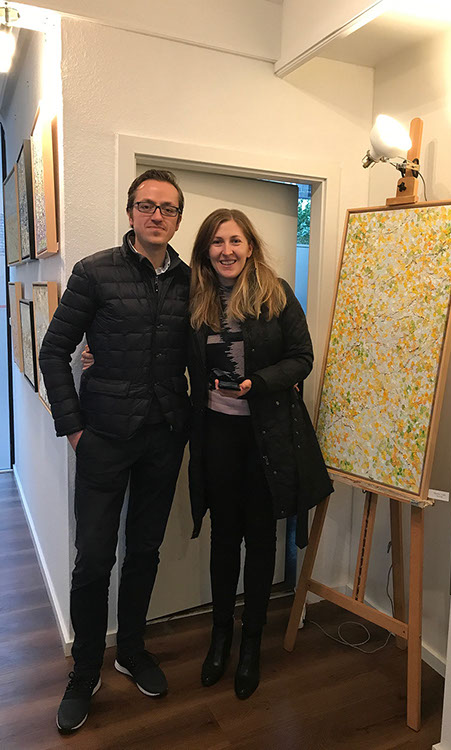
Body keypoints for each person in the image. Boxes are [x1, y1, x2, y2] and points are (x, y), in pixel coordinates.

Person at [39, 169, 191, 733]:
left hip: (163, 437)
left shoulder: (190, 281)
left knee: (145, 550)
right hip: (102, 437)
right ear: (130, 213)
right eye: (147, 205)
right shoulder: (94, 271)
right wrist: (74, 428)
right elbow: (54, 350)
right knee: (93, 559)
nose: (157, 216)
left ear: (178, 219)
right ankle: (85, 670)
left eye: (168, 208)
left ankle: (130, 649)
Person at [187, 208, 333, 700]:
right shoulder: (196, 298)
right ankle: (220, 638)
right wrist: (96, 354)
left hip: (266, 437)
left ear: (250, 246)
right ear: (206, 250)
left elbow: (302, 358)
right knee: (223, 538)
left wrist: (259, 383)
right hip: (216, 435)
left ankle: (251, 644)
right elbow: (162, 349)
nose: (226, 250)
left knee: (261, 539)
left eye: (235, 240)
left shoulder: (276, 294)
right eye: (217, 242)